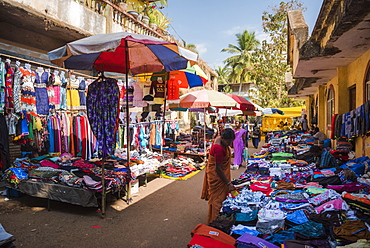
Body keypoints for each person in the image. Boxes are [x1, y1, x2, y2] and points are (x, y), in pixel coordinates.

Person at [201, 128, 236, 224]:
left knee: (218, 198)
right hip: (216, 176)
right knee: (217, 200)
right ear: (224, 138)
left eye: (231, 141)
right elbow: (218, 169)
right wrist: (228, 183)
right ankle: (215, 221)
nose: (229, 144)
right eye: (228, 141)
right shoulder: (219, 148)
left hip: (218, 173)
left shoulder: (219, 139)